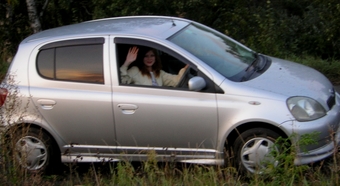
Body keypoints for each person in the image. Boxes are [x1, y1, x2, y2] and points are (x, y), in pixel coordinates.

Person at [120, 46, 189, 87]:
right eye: (146, 56)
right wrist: (127, 62)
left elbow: (176, 81)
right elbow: (121, 82)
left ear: (155, 57)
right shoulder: (135, 70)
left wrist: (187, 66)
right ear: (141, 58)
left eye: (152, 56)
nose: (149, 59)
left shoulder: (159, 73)